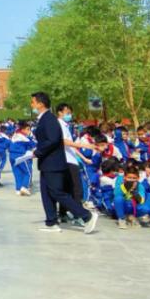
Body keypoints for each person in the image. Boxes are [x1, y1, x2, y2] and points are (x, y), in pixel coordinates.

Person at [32, 92, 98, 234]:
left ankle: (87, 216)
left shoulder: (49, 119)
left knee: (57, 192)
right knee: (46, 193)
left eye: (33, 102)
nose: (31, 105)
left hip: (53, 163)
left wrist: (37, 152)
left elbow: (53, 140)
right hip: (46, 163)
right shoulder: (44, 119)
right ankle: (51, 222)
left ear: (40, 104)